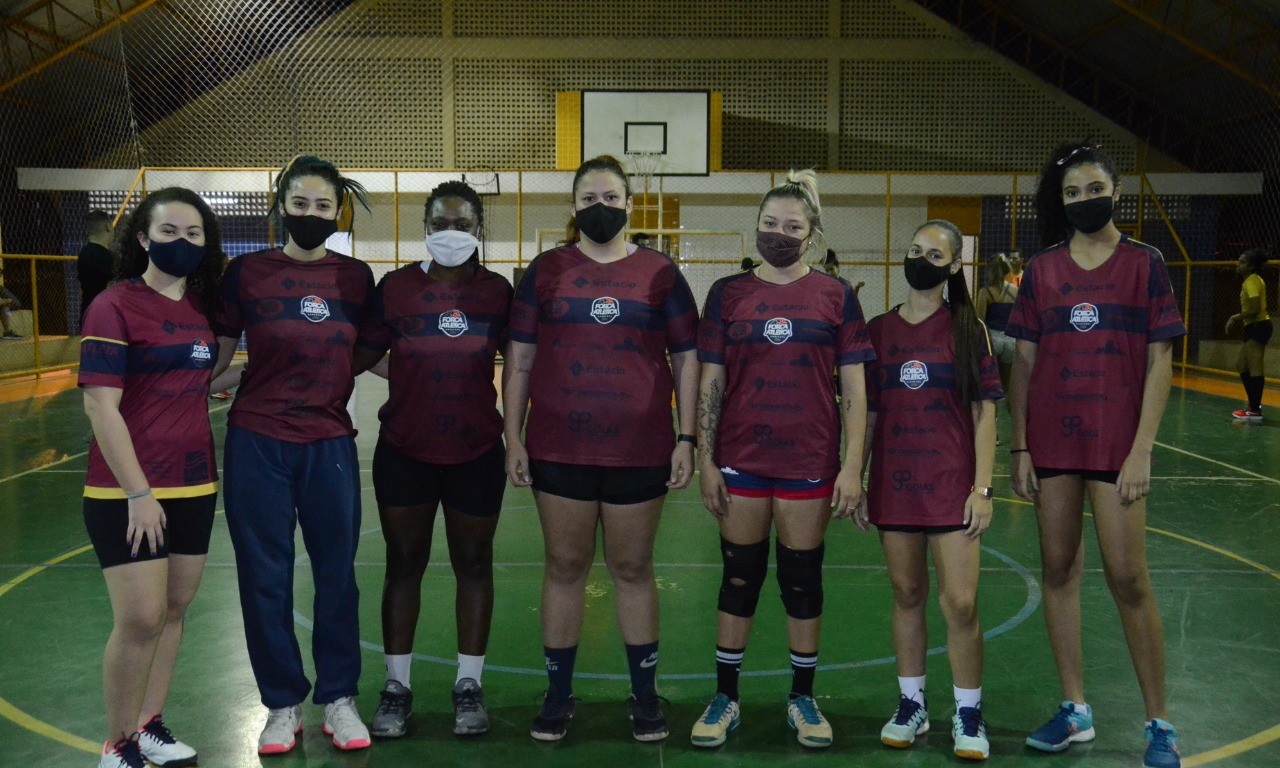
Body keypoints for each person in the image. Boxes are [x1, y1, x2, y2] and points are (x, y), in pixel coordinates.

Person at [504, 154, 699, 743]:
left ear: (630, 205)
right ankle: (558, 695)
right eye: (589, 197)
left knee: (633, 569)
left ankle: (644, 699)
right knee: (564, 567)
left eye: (611, 198)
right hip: (558, 447)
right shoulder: (545, 270)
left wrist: (687, 435)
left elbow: (687, 358)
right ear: (573, 205)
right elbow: (519, 359)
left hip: (640, 449)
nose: (601, 207)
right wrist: (513, 435)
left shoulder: (661, 272)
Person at [1007, 142, 1186, 768]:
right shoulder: (1044, 269)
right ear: (1061, 203)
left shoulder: (1145, 263)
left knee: (1128, 579)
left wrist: (1143, 449)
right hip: (1054, 442)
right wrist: (1021, 443)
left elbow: (1161, 358)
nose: (1084, 200)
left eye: (1093, 188)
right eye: (1072, 193)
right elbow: (1024, 360)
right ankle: (1075, 709)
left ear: (1115, 191)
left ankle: (1159, 723)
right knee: (1057, 570)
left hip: (1116, 445)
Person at [690, 170, 873, 750]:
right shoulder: (728, 293)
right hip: (741, 458)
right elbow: (710, 381)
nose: (778, 234)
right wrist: (706, 458)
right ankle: (725, 697)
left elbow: (857, 393)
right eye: (769, 224)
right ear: (756, 227)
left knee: (801, 582)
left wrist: (851, 467)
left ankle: (802, 698)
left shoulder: (836, 295)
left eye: (792, 226)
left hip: (809, 462)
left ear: (812, 233)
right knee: (738, 577)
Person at [208, 155, 375, 755]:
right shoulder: (246, 273)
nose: (310, 214)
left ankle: (339, 698)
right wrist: (161, 384)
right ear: (282, 206)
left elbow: (374, 356)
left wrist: (450, 367)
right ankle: (282, 705)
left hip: (329, 442)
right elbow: (221, 360)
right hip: (258, 439)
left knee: (337, 575)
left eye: (322, 206)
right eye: (300, 204)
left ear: (337, 212)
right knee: (265, 578)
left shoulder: (356, 279)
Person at [79, 187, 233, 768]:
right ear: (142, 238)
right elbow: (101, 405)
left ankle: (150, 725)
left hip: (195, 484)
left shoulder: (199, 306)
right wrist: (138, 494)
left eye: (194, 234)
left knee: (172, 611)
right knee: (140, 617)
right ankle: (117, 743)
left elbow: (194, 378)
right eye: (169, 232)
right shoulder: (113, 305)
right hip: (128, 490)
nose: (182, 243)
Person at [354, 180, 512, 739]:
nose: (452, 233)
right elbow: (357, 355)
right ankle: (396, 688)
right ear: (426, 228)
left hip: (475, 452)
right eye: (441, 224)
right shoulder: (395, 288)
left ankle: (469, 685)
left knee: (474, 563)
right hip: (405, 450)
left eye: (463, 224)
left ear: (478, 231)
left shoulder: (498, 292)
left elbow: (522, 363)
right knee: (404, 564)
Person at [855, 219, 1002, 761]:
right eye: (914, 250)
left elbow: (984, 414)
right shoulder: (879, 331)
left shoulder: (969, 329)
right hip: (895, 486)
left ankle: (968, 711)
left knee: (960, 603)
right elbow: (867, 414)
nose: (920, 259)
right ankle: (911, 703)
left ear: (955, 266)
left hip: (951, 485)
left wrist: (982, 488)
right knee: (907, 595)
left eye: (933, 254)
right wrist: (859, 475)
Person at [1226, 248, 1271, 421]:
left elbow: (1254, 309)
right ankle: (1254, 405)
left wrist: (1235, 317)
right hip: (1253, 327)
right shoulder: (1252, 280)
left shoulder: (1252, 281)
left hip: (1259, 326)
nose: (1238, 264)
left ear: (1251, 267)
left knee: (1254, 367)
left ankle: (1254, 409)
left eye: (1243, 262)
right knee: (1241, 365)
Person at [974, 252, 1018, 386]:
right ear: (1007, 269)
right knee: (1006, 382)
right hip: (1011, 339)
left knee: (990, 381)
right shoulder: (1017, 290)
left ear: (990, 271)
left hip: (992, 339)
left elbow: (979, 320)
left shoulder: (986, 292)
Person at [79, 210, 116, 327]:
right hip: (104, 318)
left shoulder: (83, 253)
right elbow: (114, 288)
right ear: (108, 227)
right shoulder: (107, 257)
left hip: (87, 314)